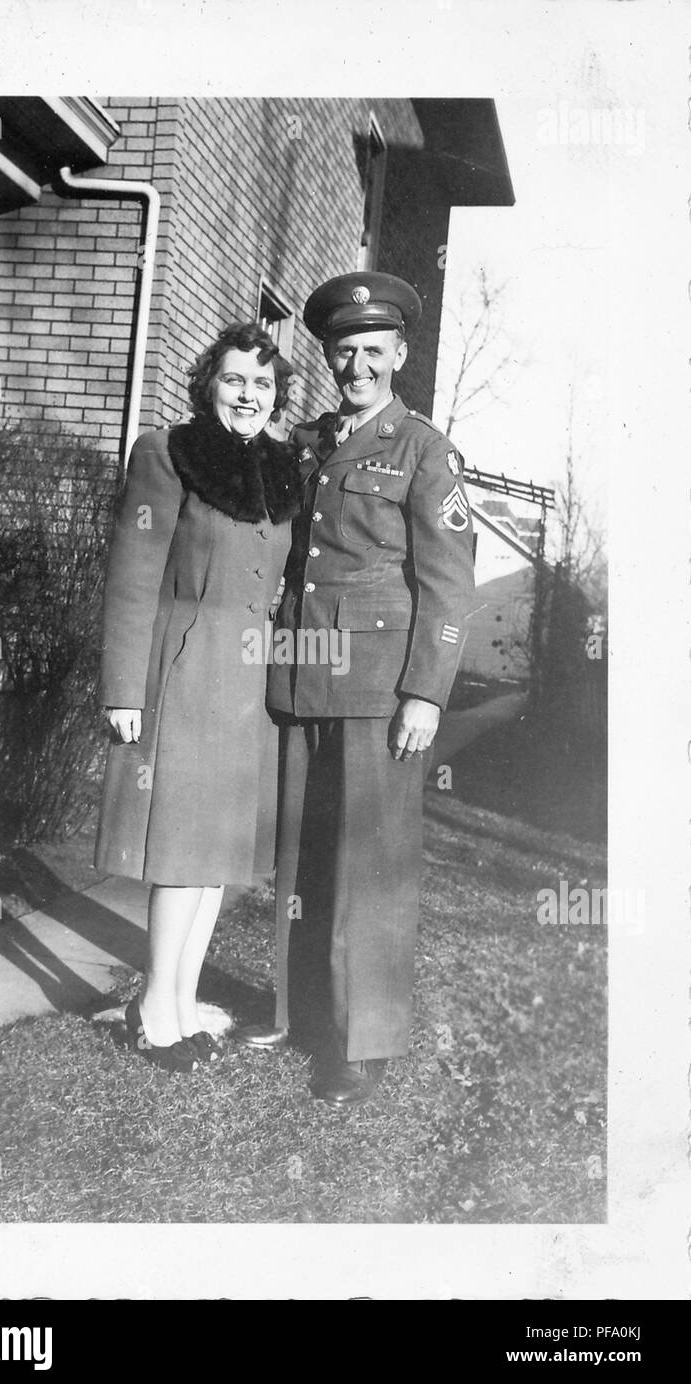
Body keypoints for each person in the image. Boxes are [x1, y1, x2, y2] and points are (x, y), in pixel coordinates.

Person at [237, 272, 476, 1106]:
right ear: (330, 359)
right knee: (303, 861)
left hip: (379, 689)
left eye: (374, 351)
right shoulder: (308, 443)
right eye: (344, 353)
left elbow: (449, 585)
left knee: (370, 867)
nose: (358, 366)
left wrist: (427, 694)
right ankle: (302, 1016)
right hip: (303, 678)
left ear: (400, 355)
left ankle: (362, 1041)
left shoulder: (424, 449)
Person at [94, 322, 303, 1073]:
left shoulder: (282, 471)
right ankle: (153, 1011)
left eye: (264, 384)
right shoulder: (167, 453)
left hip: (249, 685)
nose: (250, 395)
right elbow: (132, 575)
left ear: (277, 398)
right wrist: (123, 690)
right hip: (183, 672)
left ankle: (181, 1002)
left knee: (216, 856)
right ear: (209, 384)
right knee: (183, 850)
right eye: (236, 380)